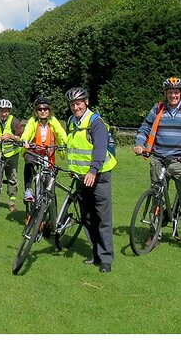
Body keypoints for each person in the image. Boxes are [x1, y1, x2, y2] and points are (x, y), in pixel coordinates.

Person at [65, 87, 117, 273]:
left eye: (78, 103)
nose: (75, 107)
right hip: (80, 177)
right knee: (86, 217)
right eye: (72, 104)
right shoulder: (71, 122)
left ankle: (106, 259)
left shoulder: (95, 122)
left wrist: (93, 170)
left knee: (102, 217)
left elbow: (100, 149)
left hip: (99, 176)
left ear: (86, 102)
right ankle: (95, 252)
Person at [134, 77, 181, 240]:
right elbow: (145, 128)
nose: (173, 95)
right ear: (166, 94)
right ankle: (154, 234)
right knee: (157, 197)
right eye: (170, 92)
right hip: (159, 160)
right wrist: (140, 143)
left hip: (179, 162)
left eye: (176, 92)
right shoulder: (158, 109)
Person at [20, 96, 67, 203]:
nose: (42, 111)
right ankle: (28, 190)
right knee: (29, 162)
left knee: (50, 185)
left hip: (48, 155)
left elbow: (61, 133)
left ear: (49, 110)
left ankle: (53, 218)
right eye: (39, 109)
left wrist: (66, 143)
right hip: (34, 152)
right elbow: (27, 132)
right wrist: (25, 141)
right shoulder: (33, 121)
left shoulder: (53, 121)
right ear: (36, 111)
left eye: (45, 109)